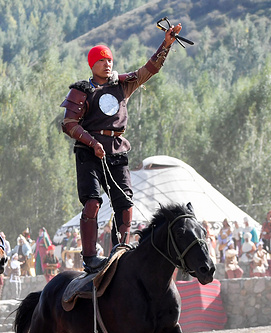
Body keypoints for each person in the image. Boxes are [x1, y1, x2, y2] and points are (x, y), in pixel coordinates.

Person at [60, 22, 182, 272]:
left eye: (110, 60)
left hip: (116, 151)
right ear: (92, 64)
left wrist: (166, 45)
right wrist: (92, 143)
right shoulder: (81, 91)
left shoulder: (122, 85)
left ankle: (120, 251)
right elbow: (69, 124)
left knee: (125, 204)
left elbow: (150, 69)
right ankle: (90, 257)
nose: (108, 64)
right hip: (88, 152)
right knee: (92, 203)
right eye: (102, 60)